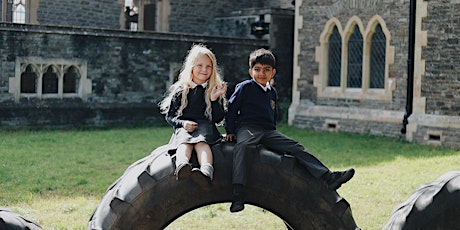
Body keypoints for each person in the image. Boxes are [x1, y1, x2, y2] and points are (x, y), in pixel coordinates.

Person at [224, 48, 355, 212]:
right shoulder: (245, 87)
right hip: (248, 128)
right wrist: (231, 130)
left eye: (266, 70)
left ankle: (328, 177)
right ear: (250, 71)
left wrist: (273, 134)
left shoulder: (272, 92)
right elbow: (231, 108)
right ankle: (238, 193)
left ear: (273, 72)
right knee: (242, 147)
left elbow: (272, 114)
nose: (261, 74)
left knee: (295, 147)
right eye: (257, 70)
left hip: (267, 131)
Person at [159, 44, 227, 182]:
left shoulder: (213, 90)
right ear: (191, 67)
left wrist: (214, 100)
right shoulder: (181, 90)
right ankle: (182, 165)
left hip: (205, 127)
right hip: (185, 128)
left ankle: (206, 171)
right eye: (200, 65)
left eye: (209, 66)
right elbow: (170, 117)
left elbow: (218, 118)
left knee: (202, 143)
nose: (204, 70)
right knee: (184, 143)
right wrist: (183, 124)